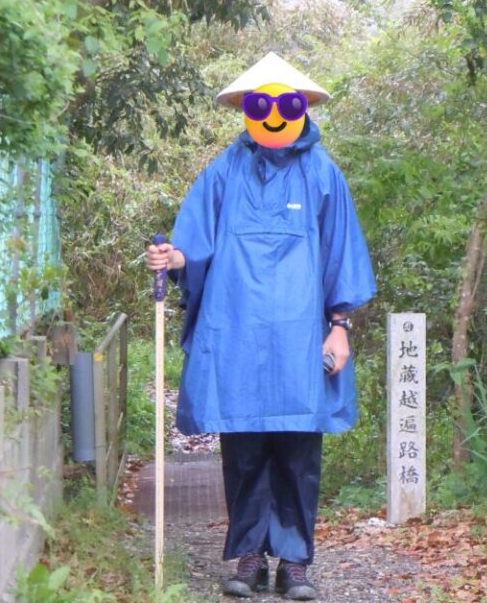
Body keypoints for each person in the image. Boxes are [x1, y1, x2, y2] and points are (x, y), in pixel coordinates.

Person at [146, 52, 376, 600]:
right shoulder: (224, 169)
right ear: (248, 110)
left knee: (299, 448)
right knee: (244, 446)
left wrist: (338, 324)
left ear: (301, 109)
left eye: (285, 103)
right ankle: (249, 555)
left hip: (300, 336)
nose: (273, 114)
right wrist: (174, 259)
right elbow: (194, 241)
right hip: (238, 331)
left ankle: (294, 561)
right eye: (261, 104)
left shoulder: (323, 173)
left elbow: (341, 253)